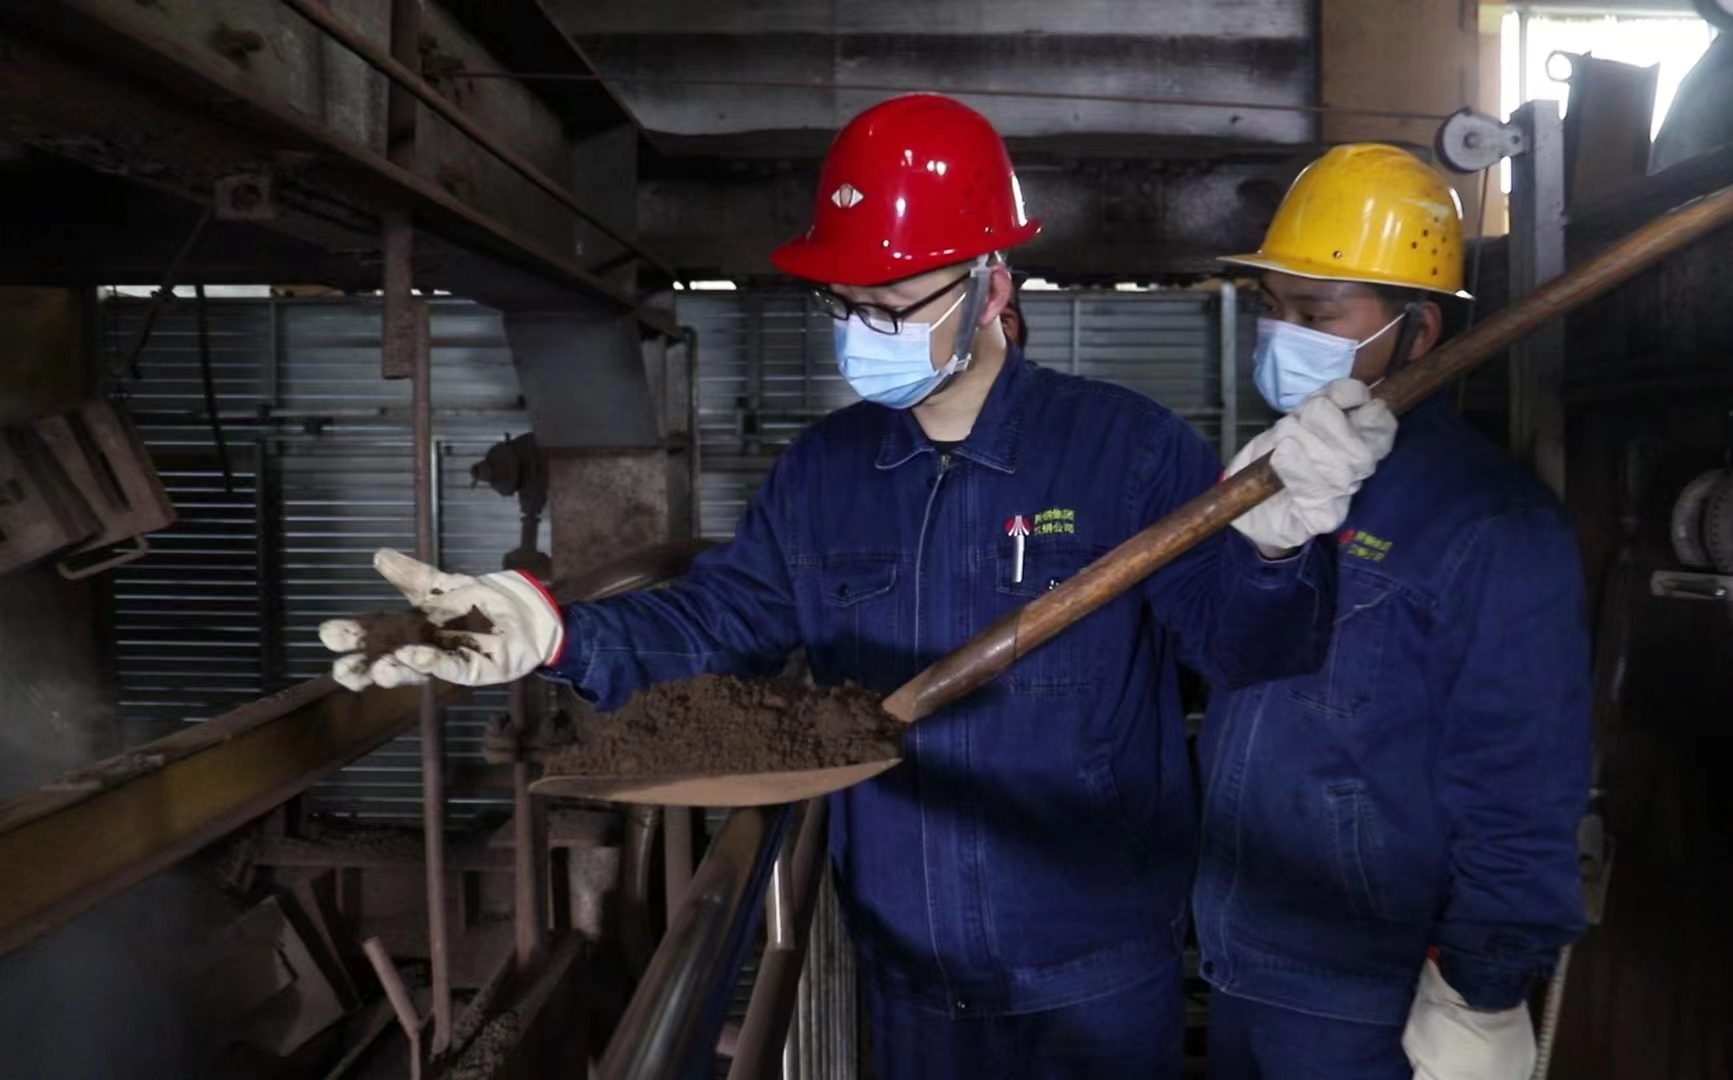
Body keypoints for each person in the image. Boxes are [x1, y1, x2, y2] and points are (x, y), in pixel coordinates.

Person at [318, 96, 1394, 1077]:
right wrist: (554, 631)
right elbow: (717, 618)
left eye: (894, 300)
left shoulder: (1128, 451)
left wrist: (1277, 547)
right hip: (906, 969)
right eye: (846, 301)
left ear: (992, 287)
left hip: (1095, 970)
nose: (863, 328)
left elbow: (1247, 648)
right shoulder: (825, 473)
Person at [1197, 144, 1592, 1080]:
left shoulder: (1491, 527)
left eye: (1317, 314)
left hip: (1371, 990)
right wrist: (1260, 548)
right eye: (1273, 309)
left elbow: (1522, 784)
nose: (1281, 336)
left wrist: (1481, 993)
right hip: (1240, 952)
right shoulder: (1269, 481)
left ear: (1417, 333)